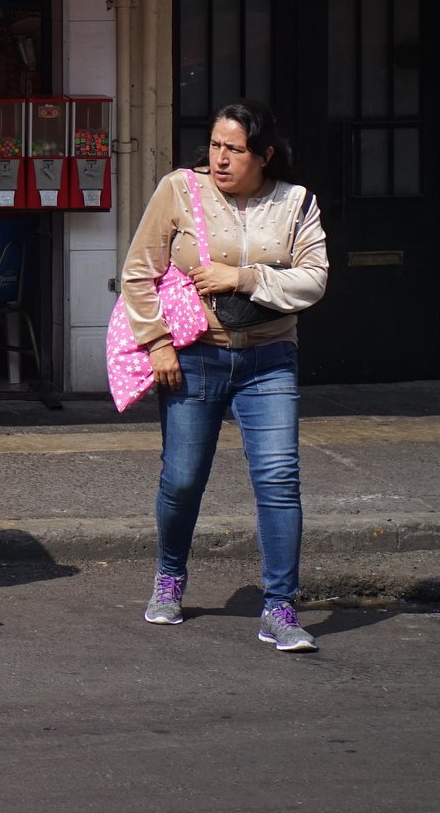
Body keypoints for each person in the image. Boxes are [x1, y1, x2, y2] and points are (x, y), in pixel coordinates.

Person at [122, 99, 329, 652]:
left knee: (279, 481)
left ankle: (280, 608)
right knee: (184, 477)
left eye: (233, 149)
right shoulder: (179, 189)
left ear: (263, 155)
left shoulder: (296, 203)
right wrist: (157, 343)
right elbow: (138, 273)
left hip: (269, 359)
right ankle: (169, 577)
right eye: (215, 145)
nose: (220, 158)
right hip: (195, 357)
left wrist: (239, 277)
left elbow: (313, 282)